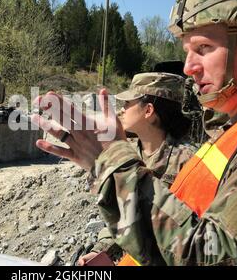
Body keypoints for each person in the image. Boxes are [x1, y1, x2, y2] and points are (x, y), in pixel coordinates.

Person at [34, 0, 237, 265]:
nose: (189, 67)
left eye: (203, 48)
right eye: (187, 51)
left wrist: (115, 162)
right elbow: (183, 225)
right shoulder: (236, 132)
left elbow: (211, 258)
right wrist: (101, 165)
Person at [78, 73, 197, 266]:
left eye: (127, 104)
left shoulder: (189, 163)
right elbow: (124, 211)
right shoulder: (130, 156)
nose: (121, 110)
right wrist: (102, 251)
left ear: (148, 110)